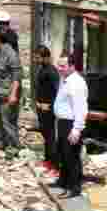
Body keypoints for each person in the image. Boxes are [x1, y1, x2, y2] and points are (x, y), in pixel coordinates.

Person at [52, 52, 88, 199]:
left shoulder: (77, 83)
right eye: (58, 65)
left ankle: (74, 187)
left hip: (71, 123)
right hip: (62, 122)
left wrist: (77, 129)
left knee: (71, 156)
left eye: (63, 66)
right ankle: (63, 181)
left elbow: (80, 108)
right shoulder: (65, 79)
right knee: (62, 153)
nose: (59, 69)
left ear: (72, 66)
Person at [0, 25, 22, 159]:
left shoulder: (11, 54)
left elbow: (17, 77)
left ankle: (14, 146)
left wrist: (13, 94)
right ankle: (0, 142)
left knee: (8, 122)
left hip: (7, 94)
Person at [34, 45, 60, 173]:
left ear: (46, 57)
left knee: (50, 136)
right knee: (45, 135)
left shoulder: (51, 71)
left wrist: (50, 105)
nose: (36, 60)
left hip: (48, 109)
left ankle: (54, 163)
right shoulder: (42, 69)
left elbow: (57, 90)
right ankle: (47, 159)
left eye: (38, 57)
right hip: (41, 108)